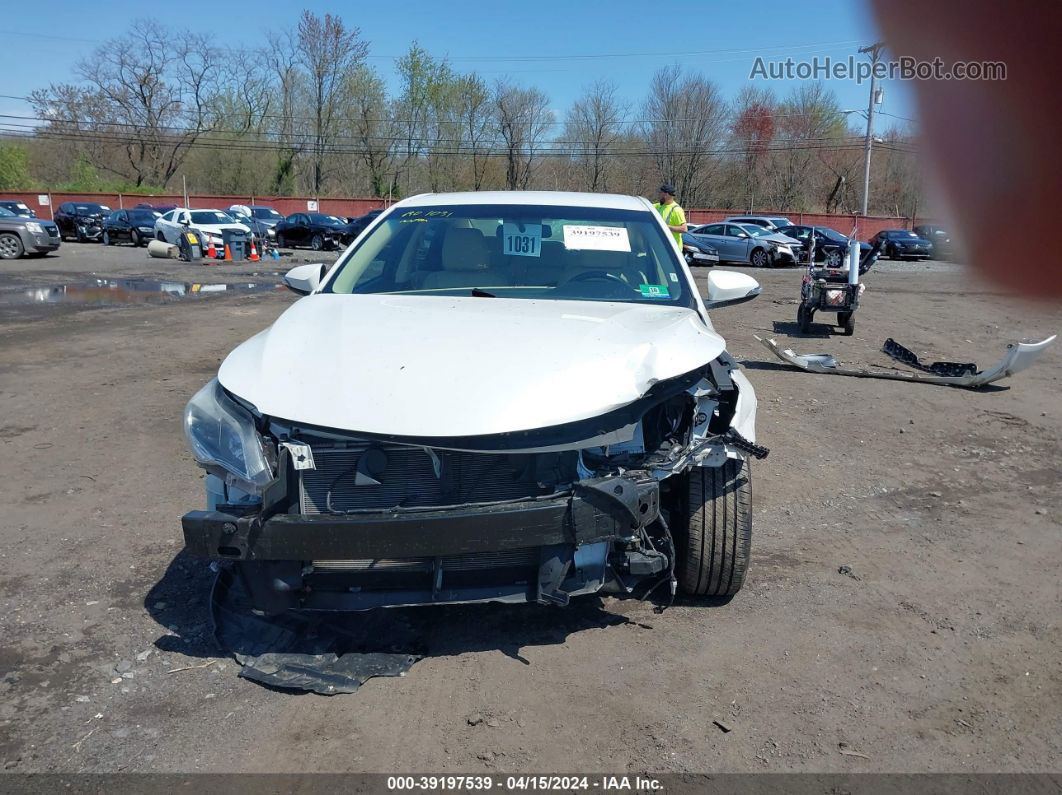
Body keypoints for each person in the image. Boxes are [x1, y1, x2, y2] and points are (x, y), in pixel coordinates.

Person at [653, 184, 687, 251]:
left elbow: (684, 229)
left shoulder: (676, 210)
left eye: (660, 193)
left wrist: (666, 226)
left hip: (673, 250)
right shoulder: (659, 206)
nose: (659, 195)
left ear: (666, 194)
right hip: (662, 248)